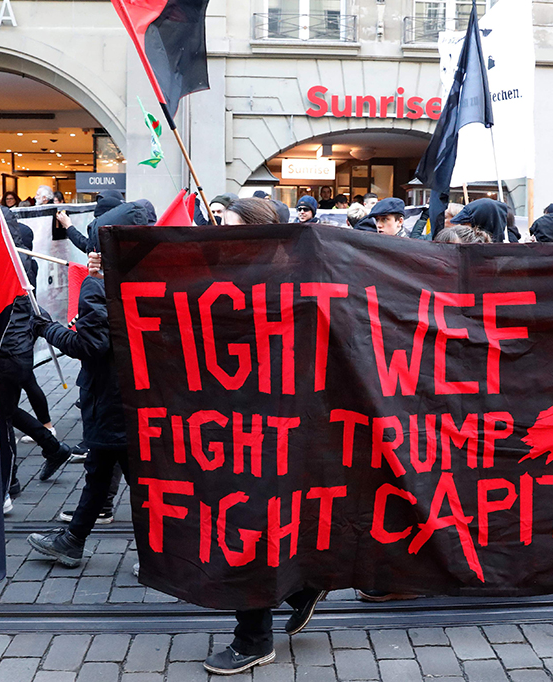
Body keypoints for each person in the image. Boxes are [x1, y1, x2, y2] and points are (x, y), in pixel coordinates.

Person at [205, 195, 328, 675]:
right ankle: (298, 588)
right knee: (249, 521)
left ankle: (253, 637)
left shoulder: (277, 281)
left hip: (264, 425)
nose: (220, 235)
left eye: (230, 228)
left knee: (244, 525)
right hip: (235, 422)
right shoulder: (239, 275)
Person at [26, 204, 151, 565]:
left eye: (97, 245)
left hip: (109, 399)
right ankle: (73, 540)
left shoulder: (99, 287)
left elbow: (90, 346)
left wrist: (46, 327)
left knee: (131, 482)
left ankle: (152, 553)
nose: (92, 252)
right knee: (101, 471)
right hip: (138, 394)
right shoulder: (145, 278)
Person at [0, 207, 73, 512]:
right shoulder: (14, 255)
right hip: (14, 346)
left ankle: (7, 484)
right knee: (7, 410)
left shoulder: (7, 258)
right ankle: (52, 447)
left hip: (8, 349)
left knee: (3, 415)